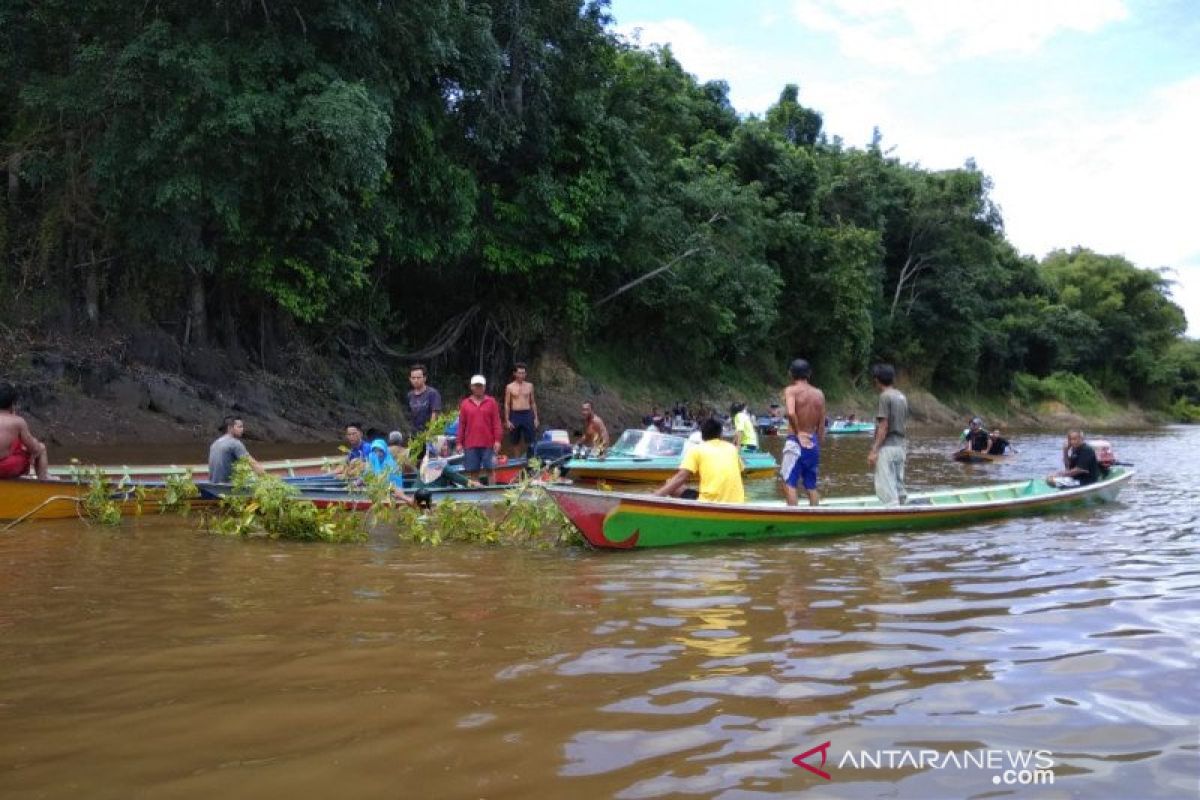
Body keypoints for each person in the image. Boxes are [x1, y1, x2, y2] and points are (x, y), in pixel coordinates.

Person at [654, 417, 744, 503]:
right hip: (737, 501)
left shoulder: (697, 450)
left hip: (709, 502)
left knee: (670, 483)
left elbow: (681, 477)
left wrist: (654, 497)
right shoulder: (732, 448)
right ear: (720, 434)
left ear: (702, 435)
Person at [779, 359, 826, 507]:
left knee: (788, 482)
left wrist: (798, 433)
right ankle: (815, 517)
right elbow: (822, 422)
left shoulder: (791, 390)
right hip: (813, 442)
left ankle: (792, 519)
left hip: (796, 440)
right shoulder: (819, 394)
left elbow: (791, 413)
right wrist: (817, 444)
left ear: (790, 374)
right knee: (811, 486)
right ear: (809, 374)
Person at [868, 364, 908, 505]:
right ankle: (903, 509)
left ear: (877, 380)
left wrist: (874, 451)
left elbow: (883, 426)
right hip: (901, 446)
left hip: (888, 447)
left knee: (885, 487)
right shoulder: (901, 396)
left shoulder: (885, 397)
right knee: (898, 485)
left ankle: (892, 511)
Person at [455, 375, 502, 480]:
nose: (478, 388)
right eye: (476, 386)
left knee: (491, 470)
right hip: (470, 444)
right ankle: (474, 494)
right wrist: (459, 443)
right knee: (473, 472)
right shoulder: (465, 404)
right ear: (471, 387)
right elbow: (461, 425)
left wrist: (498, 440)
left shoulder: (491, 402)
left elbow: (496, 422)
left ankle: (492, 493)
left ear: (484, 387)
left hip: (489, 443)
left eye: (480, 386)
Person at [0, 384, 49, 480]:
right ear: (13, 403)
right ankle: (43, 481)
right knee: (41, 448)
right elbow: (34, 448)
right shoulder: (18, 421)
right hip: (5, 469)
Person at [208, 416, 266, 484]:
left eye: (242, 427)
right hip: (226, 485)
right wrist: (266, 477)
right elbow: (252, 464)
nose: (242, 429)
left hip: (213, 483)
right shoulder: (235, 443)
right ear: (230, 428)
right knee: (253, 477)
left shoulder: (215, 443)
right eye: (239, 427)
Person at [503, 362, 539, 458]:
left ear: (526, 374)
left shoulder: (530, 386)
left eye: (523, 373)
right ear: (515, 374)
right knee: (515, 441)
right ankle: (517, 462)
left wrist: (536, 418)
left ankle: (531, 462)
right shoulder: (509, 387)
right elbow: (507, 404)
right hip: (515, 415)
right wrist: (507, 420)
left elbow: (533, 402)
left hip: (527, 414)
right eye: (519, 373)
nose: (521, 375)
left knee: (530, 440)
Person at [365, 438, 414, 505]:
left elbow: (389, 481)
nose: (378, 454)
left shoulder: (390, 463)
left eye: (380, 451)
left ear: (384, 451)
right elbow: (367, 474)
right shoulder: (372, 458)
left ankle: (407, 499)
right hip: (378, 488)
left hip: (391, 488)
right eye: (375, 451)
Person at [406, 364, 443, 434]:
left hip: (429, 434)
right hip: (414, 435)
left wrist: (430, 433)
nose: (416, 380)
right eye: (413, 378)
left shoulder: (432, 393)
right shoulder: (409, 395)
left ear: (424, 378)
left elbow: (434, 414)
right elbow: (408, 416)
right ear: (410, 379)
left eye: (418, 378)